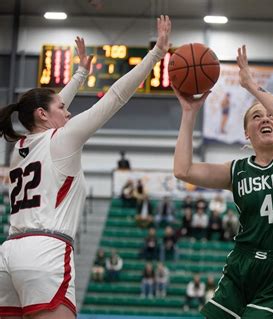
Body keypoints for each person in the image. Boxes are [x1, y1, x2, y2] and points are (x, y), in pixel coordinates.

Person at [0, 18, 171, 318]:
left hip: (9, 253)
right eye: (63, 110)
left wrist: (80, 74)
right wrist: (156, 53)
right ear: (42, 114)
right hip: (45, 251)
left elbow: (45, 109)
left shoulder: (19, 148)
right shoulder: (61, 139)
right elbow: (116, 96)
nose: (69, 112)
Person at [173, 44, 273, 318]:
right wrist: (189, 113)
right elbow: (183, 170)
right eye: (256, 116)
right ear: (247, 133)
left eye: (271, 117)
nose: (266, 119)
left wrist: (251, 86)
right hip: (241, 265)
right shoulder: (236, 170)